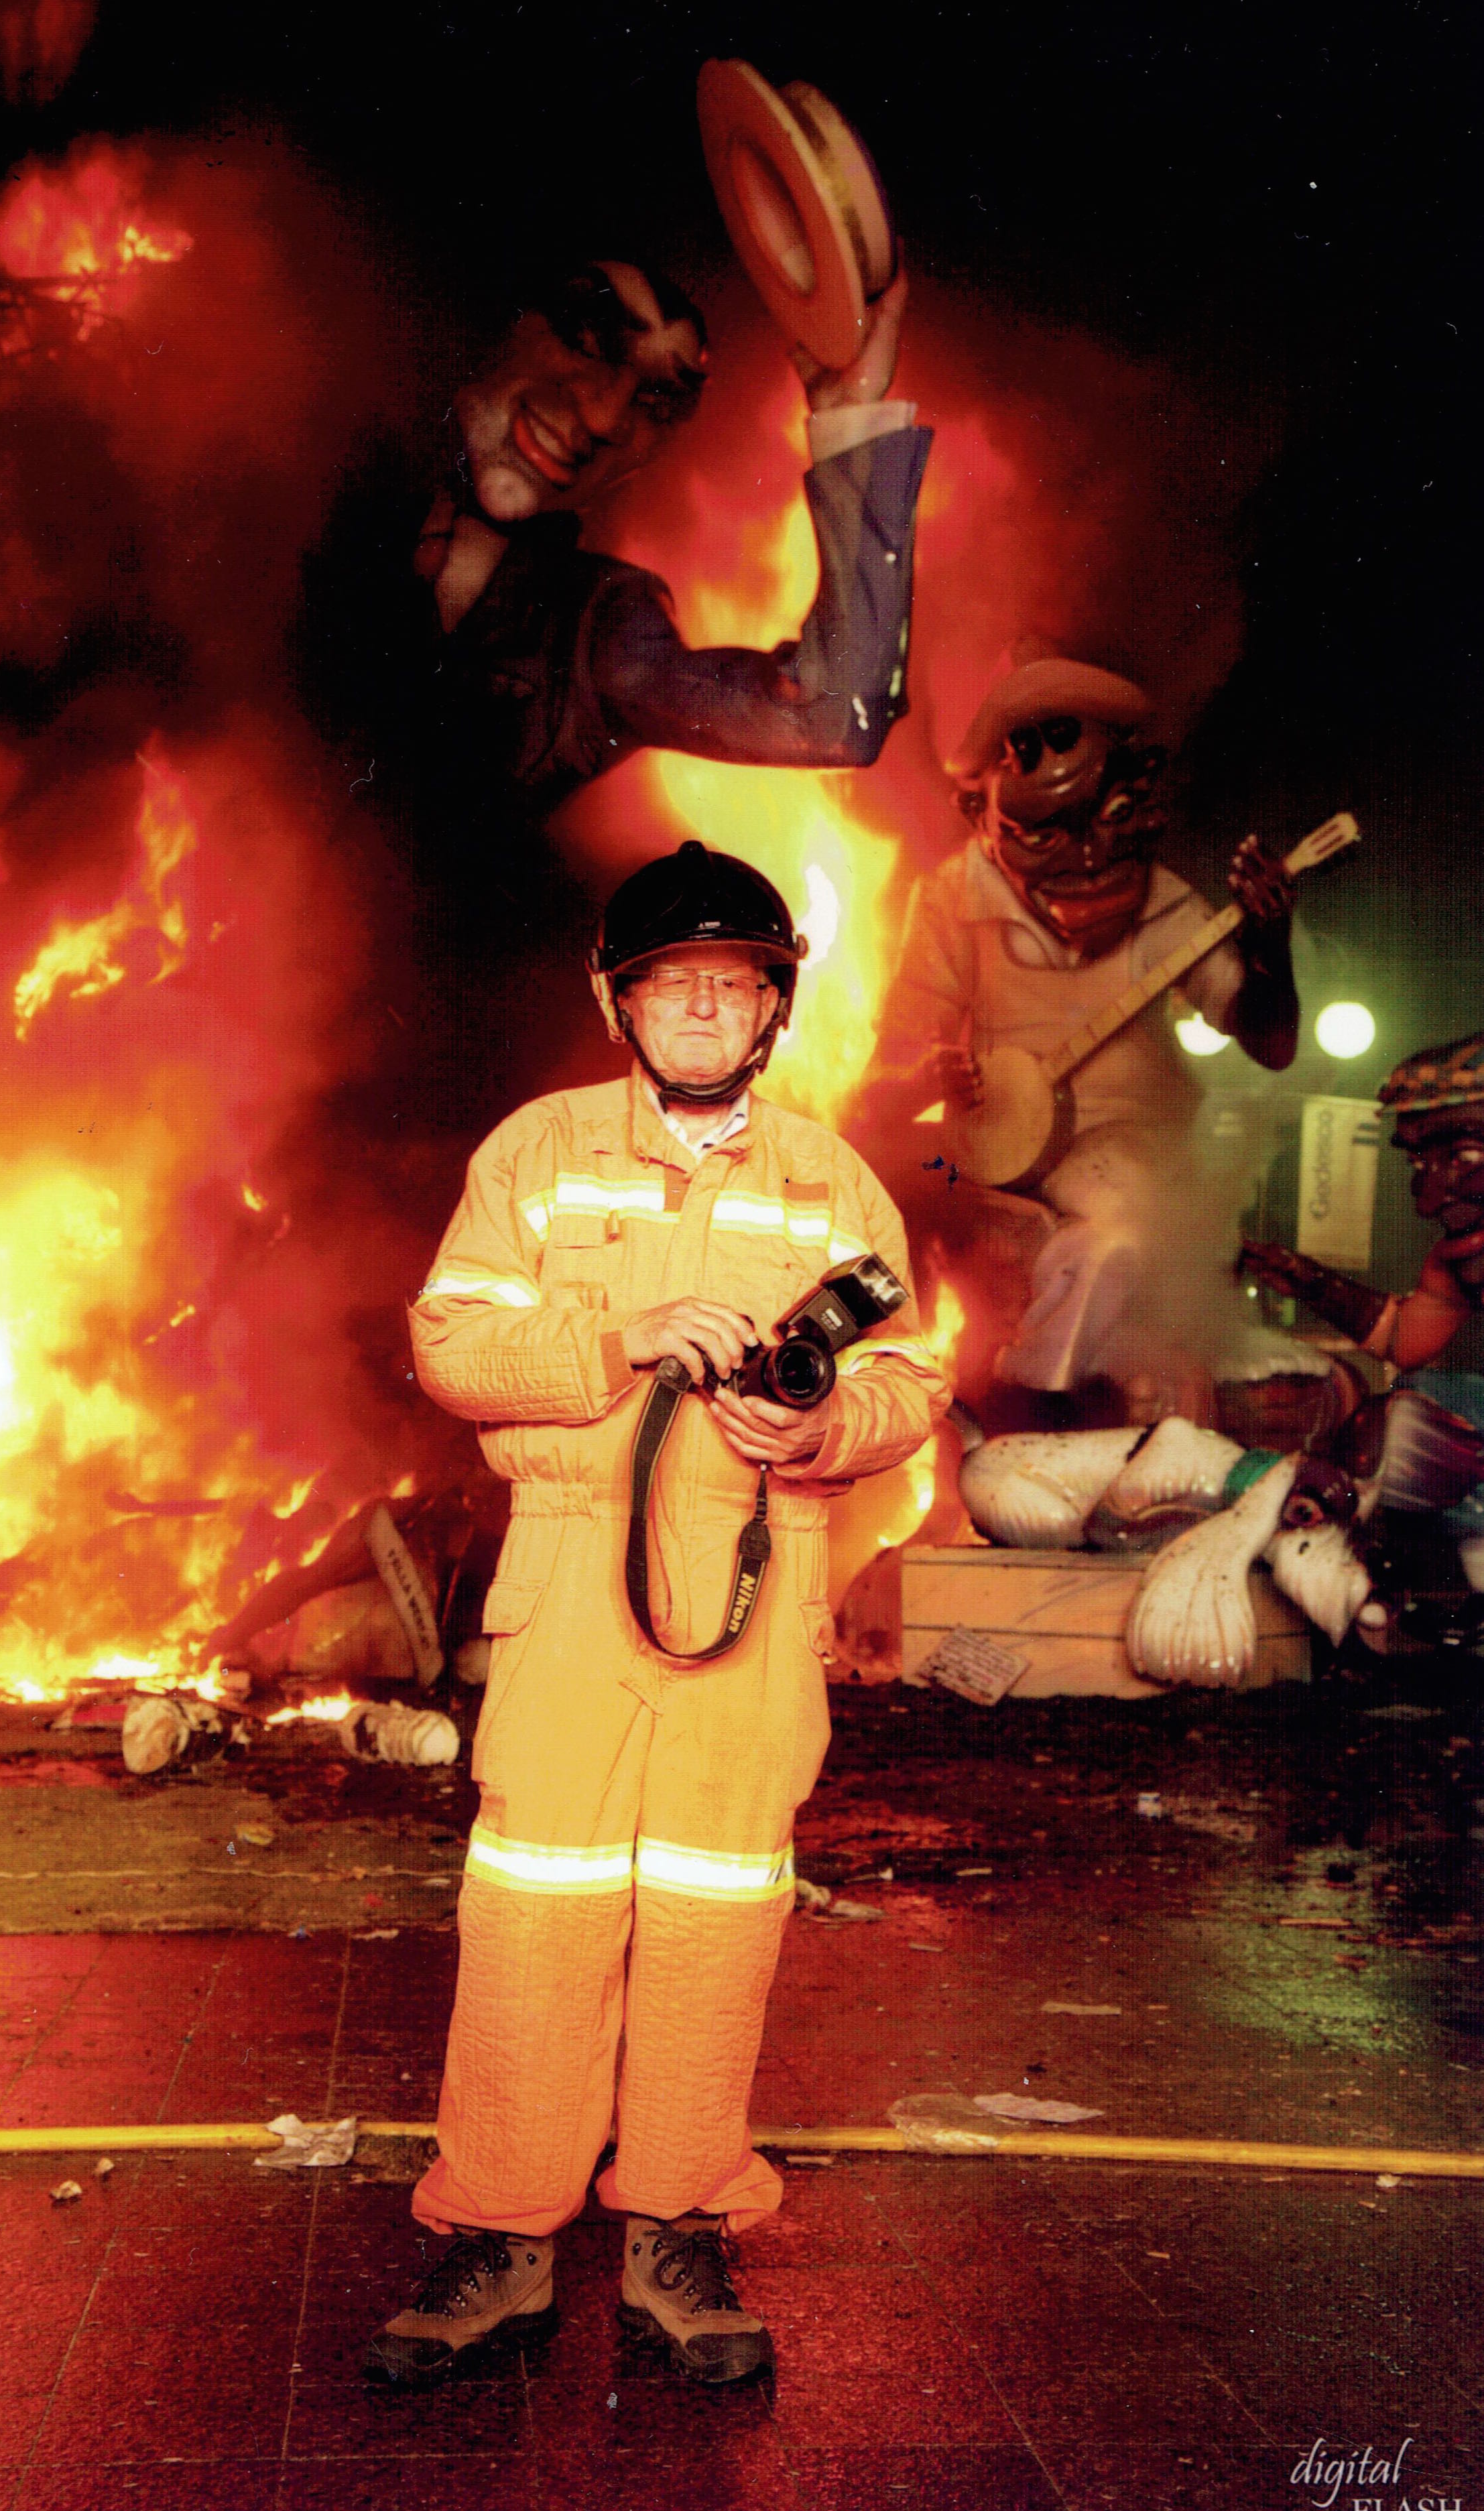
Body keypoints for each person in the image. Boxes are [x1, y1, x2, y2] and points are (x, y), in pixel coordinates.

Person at [374, 840, 945, 2386]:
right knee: (532, 1905)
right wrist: (621, 1334)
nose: (700, 1007)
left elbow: (906, 1375)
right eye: (669, 983)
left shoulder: (831, 1184)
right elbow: (451, 1347)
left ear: (771, 1008)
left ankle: (677, 2226)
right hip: (570, 1571)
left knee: (711, 1908)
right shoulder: (537, 1155)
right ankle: (495, 2236)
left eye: (731, 984)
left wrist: (816, 1432)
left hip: (751, 1574)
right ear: (617, 1002)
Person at [877, 655, 1302, 1402]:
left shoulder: (1163, 905)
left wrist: (1269, 949)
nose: (1081, 856)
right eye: (1045, 835)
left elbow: (1269, 1044)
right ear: (990, 816)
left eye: (1098, 823)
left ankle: (1035, 1388)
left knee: (1120, 1241)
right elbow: (887, 1077)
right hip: (981, 1166)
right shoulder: (952, 899)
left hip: (1129, 1158)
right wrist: (929, 1078)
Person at [416, 255, 932, 809]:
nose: (607, 416)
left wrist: (850, 423)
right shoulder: (331, 443)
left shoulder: (596, 630)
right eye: (591, 344)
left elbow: (832, 718)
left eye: (655, 400)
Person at [1241, 1028, 1484, 1602]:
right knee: (1402, 1423)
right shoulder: (1458, 1255)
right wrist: (1310, 1281)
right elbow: (1407, 1338)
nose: (1429, 1196)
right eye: (1421, 1164)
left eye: (1464, 1158)